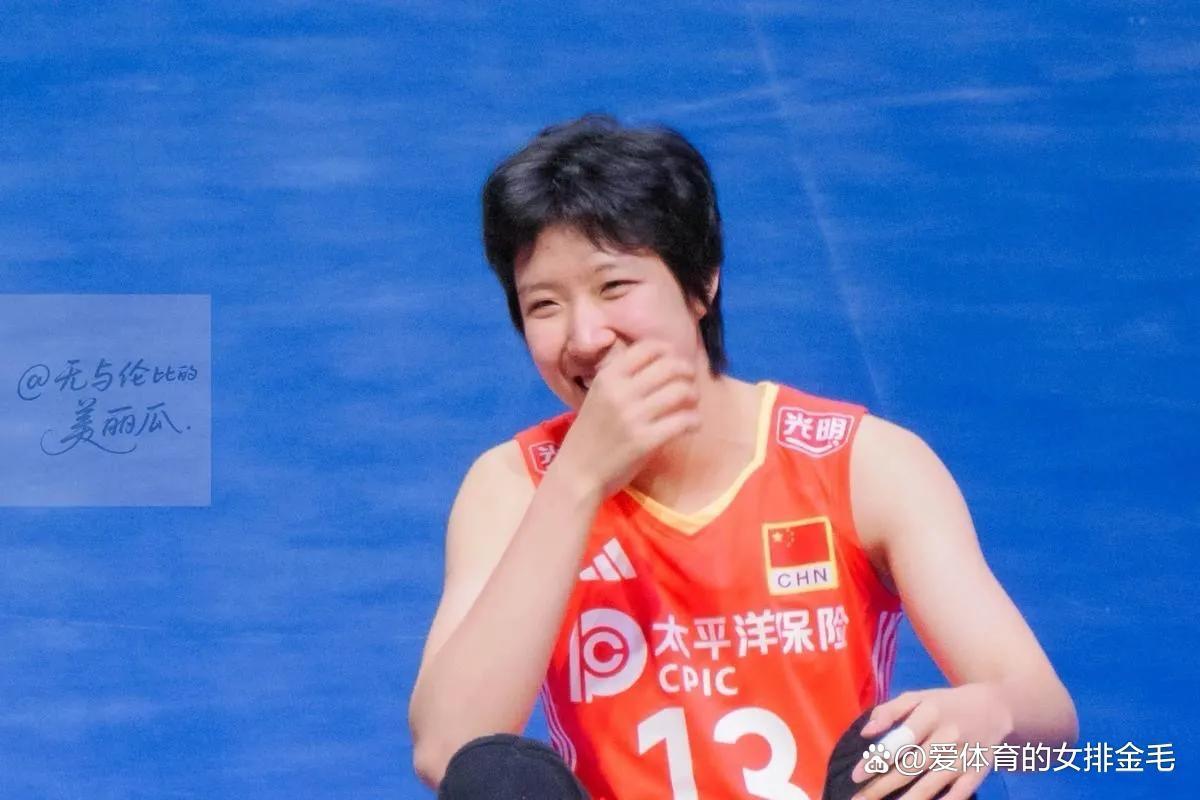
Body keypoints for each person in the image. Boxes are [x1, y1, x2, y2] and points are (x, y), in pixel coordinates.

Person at [408, 115, 1077, 800]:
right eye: (544, 305)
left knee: (905, 765)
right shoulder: (515, 485)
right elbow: (446, 751)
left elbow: (1050, 723)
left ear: (701, 284)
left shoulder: (863, 464)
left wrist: (991, 710)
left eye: (614, 288)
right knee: (499, 781)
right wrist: (578, 480)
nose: (584, 337)